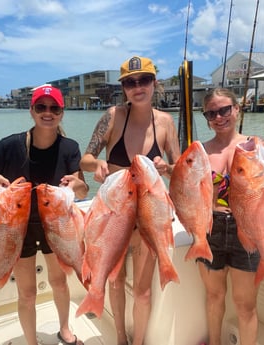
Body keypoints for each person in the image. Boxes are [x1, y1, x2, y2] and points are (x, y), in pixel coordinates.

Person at [0, 85, 88, 345]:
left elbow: (83, 190)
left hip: (57, 226)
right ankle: (31, 342)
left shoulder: (70, 148)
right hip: (15, 229)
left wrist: (75, 185)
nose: (47, 113)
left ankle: (65, 330)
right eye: (41, 107)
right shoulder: (11, 145)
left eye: (54, 108)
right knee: (27, 293)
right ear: (31, 110)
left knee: (60, 283)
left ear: (62, 113)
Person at [80, 56, 181, 345]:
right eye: (130, 82)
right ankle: (121, 338)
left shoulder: (165, 123)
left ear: (154, 83)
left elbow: (179, 168)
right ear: (123, 88)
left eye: (144, 80)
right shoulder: (112, 117)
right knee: (113, 279)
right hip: (113, 214)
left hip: (148, 216)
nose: (138, 87)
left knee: (142, 290)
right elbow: (85, 158)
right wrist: (96, 164)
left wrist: (166, 168)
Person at [197, 88, 261, 345]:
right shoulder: (199, 151)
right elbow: (187, 191)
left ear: (237, 109)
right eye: (211, 113)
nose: (219, 117)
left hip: (245, 228)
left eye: (224, 110)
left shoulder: (253, 147)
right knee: (214, 296)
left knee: (245, 305)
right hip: (209, 230)